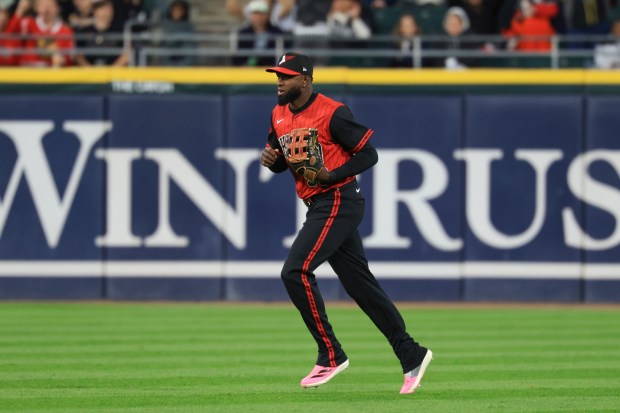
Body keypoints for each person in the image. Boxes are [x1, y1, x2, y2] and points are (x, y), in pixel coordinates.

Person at [259, 51, 433, 395]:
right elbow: (283, 158)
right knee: (360, 286)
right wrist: (272, 162)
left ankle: (331, 354)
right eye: (277, 75)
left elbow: (370, 153)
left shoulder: (332, 112)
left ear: (305, 80)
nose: (279, 81)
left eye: (286, 76)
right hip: (319, 203)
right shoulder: (279, 114)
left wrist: (332, 175)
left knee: (294, 271)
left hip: (338, 199)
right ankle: (411, 352)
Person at [4, 0, 75, 67]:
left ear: (57, 8)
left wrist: (62, 61)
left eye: (50, 5)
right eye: (42, 4)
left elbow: (69, 59)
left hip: (51, 75)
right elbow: (8, 35)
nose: (46, 9)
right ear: (36, 7)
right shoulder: (27, 23)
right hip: (26, 73)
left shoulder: (66, 31)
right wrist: (20, 10)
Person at [75, 0, 128, 66]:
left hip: (115, 73)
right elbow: (78, 55)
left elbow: (127, 54)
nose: (105, 11)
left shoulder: (120, 30)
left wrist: (112, 71)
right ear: (94, 10)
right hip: (89, 74)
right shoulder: (84, 31)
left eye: (108, 7)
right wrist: (90, 71)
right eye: (101, 7)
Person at [234, 0, 284, 67]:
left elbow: (281, 57)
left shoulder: (277, 33)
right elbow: (237, 57)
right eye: (255, 13)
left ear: (268, 15)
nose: (258, 17)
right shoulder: (243, 33)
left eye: (261, 13)